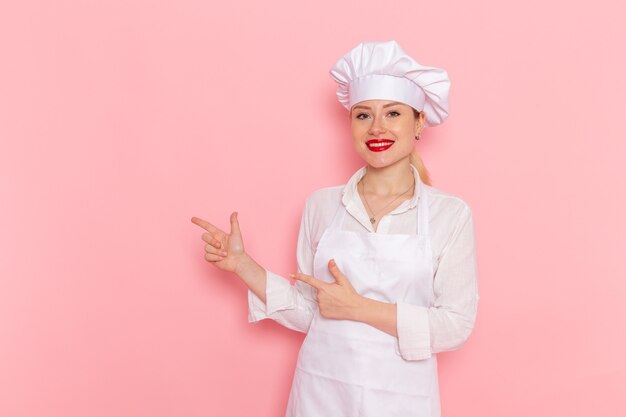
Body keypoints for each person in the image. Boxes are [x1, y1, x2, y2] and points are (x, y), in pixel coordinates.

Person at [191, 40, 479, 417]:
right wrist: (243, 266)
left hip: (400, 399)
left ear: (419, 122)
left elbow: (455, 325)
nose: (377, 128)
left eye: (393, 114)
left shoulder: (449, 214)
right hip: (321, 391)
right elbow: (311, 310)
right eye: (363, 115)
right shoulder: (322, 205)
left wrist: (359, 308)